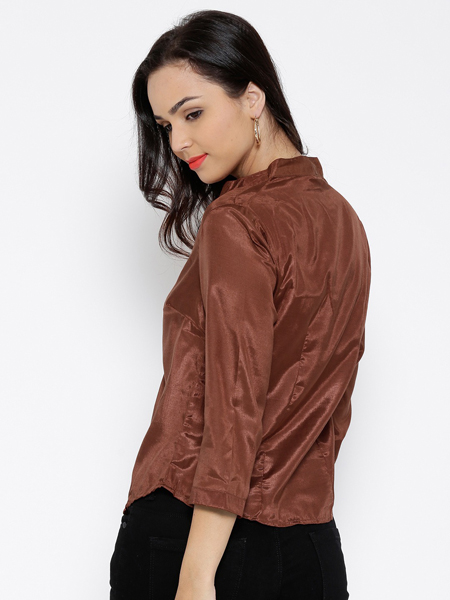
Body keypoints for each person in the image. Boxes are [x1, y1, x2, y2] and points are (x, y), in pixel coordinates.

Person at [109, 9, 371, 600]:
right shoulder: (344, 221)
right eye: (165, 125)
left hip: (194, 538)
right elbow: (330, 409)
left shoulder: (238, 220)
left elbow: (233, 405)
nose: (178, 143)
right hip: (311, 544)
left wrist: (197, 573)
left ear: (253, 97)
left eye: (192, 113)